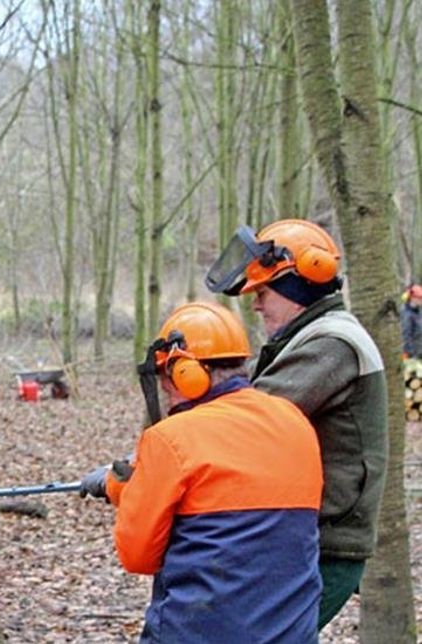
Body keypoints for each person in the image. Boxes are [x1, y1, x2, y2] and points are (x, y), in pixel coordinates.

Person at [82, 302, 323, 642]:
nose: (165, 389)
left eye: (166, 377)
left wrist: (131, 493)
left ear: (186, 374)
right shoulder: (296, 422)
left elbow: (138, 556)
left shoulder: (170, 438)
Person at [204, 218, 388, 631]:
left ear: (298, 289)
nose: (256, 304)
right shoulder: (306, 340)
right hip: (302, 539)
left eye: (264, 293)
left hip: (327, 544)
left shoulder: (332, 344)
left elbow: (245, 421)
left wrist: (148, 462)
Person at [401, 284, 422, 359]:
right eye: (419, 298)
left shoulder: (419, 311)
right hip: (413, 354)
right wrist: (411, 354)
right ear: (413, 298)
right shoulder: (407, 314)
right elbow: (406, 335)